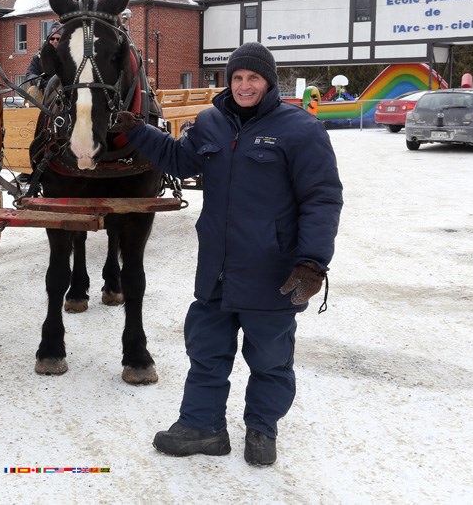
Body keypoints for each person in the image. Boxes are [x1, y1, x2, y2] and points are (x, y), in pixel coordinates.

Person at [112, 41, 343, 467]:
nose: (243, 85)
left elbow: (322, 199)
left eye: (252, 78)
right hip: (216, 268)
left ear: (268, 82)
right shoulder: (211, 122)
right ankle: (203, 427)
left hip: (271, 271)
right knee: (207, 351)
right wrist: (138, 131)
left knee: (271, 359)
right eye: (237, 78)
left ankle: (262, 429)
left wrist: (312, 261)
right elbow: (180, 161)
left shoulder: (300, 130)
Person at [24, 23, 62, 103]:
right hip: (44, 91)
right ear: (48, 40)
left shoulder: (71, 56)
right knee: (33, 90)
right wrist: (37, 80)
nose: (55, 41)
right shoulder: (38, 57)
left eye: (58, 39)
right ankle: (34, 115)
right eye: (52, 38)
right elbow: (30, 73)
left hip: (64, 91)